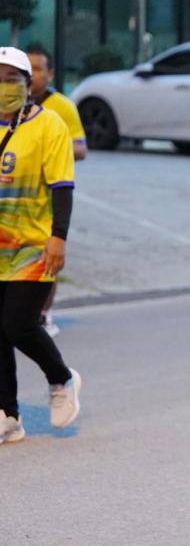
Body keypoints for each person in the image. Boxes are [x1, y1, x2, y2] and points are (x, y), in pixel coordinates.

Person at [0, 47, 82, 446]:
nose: (4, 87)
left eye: (11, 79)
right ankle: (8, 416)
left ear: (28, 84)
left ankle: (61, 378)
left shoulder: (50, 125)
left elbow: (62, 186)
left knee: (18, 324)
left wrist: (58, 237)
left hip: (34, 245)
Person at [26, 44, 86, 338]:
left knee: (47, 256)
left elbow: (81, 149)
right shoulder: (11, 107)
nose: (32, 75)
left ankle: (43, 313)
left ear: (50, 74)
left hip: (50, 197)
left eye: (38, 69)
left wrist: (45, 151)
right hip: (16, 197)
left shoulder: (62, 107)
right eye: (27, 69)